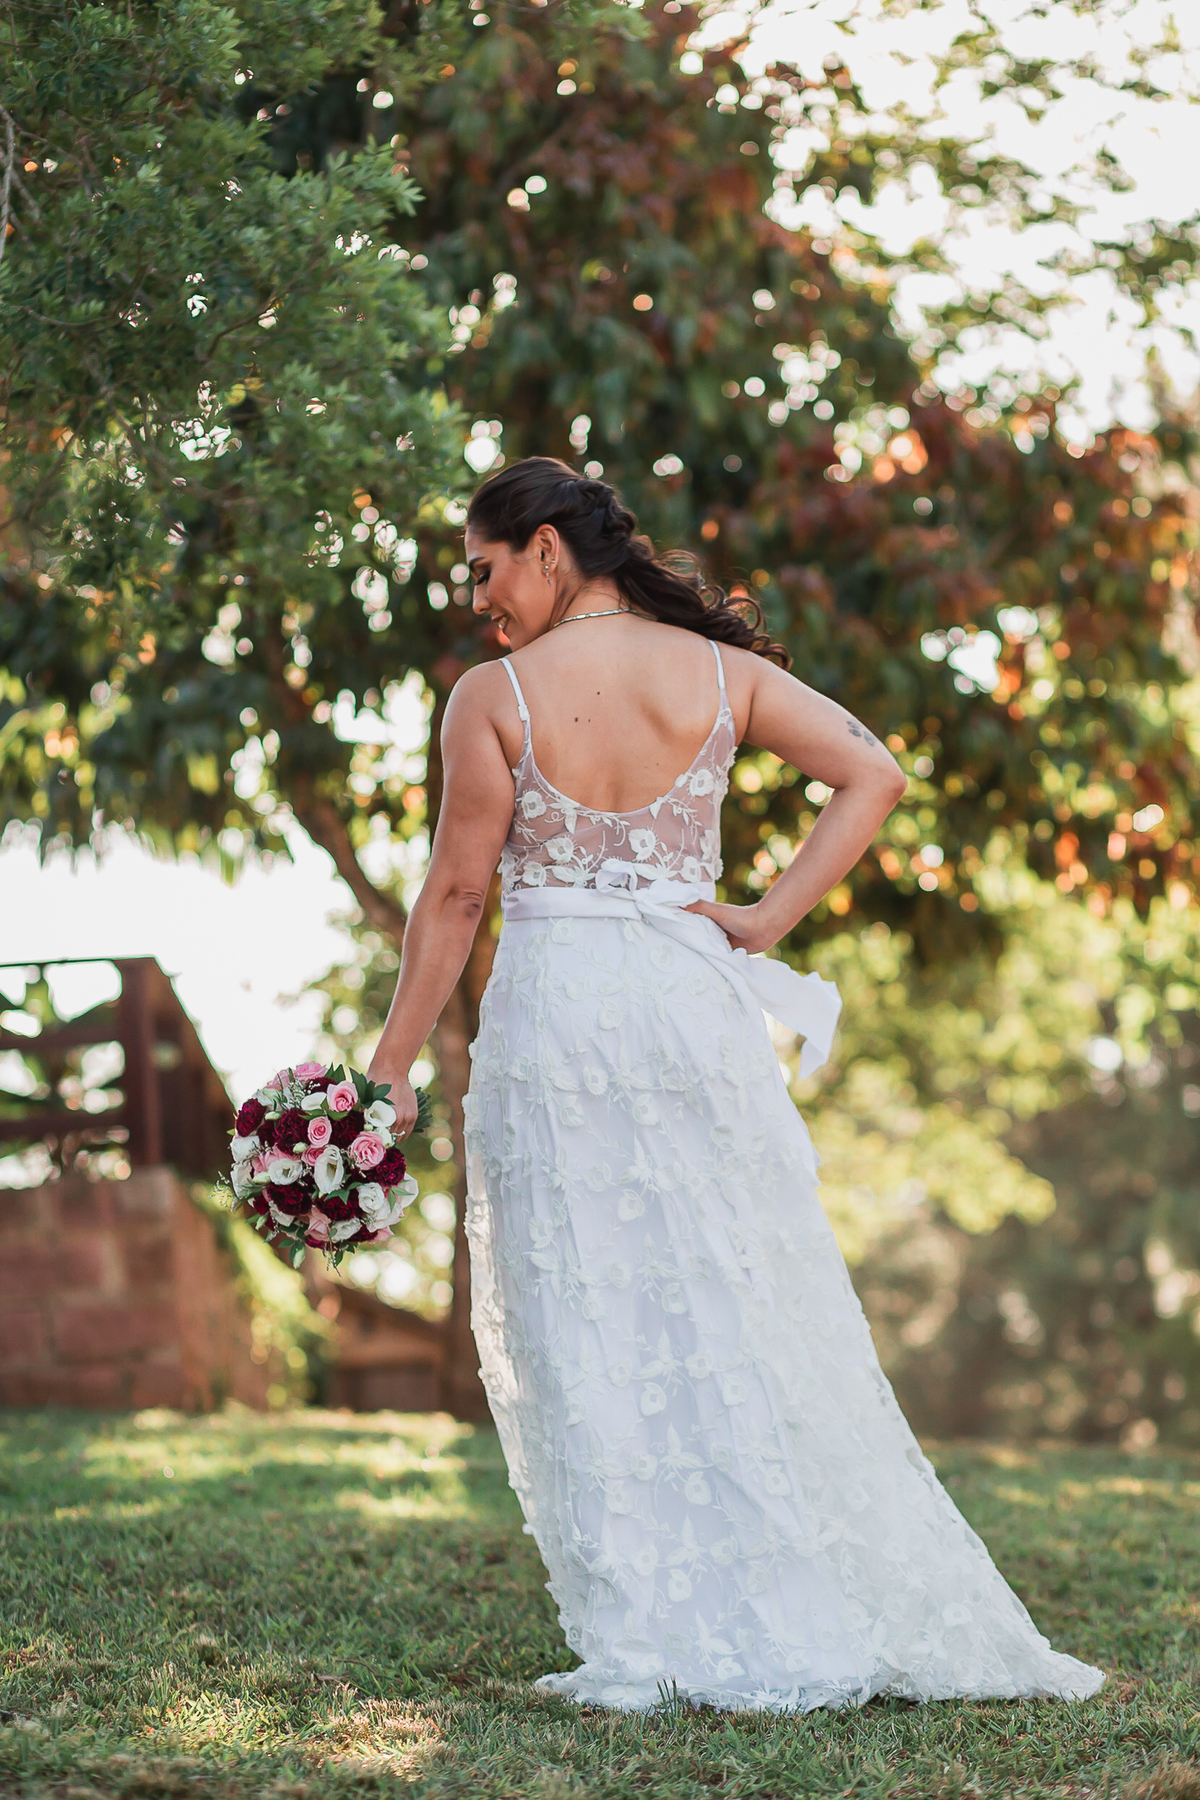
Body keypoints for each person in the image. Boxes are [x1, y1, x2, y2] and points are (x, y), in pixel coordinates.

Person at [368, 456, 1104, 1712]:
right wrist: (766, 917)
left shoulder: (491, 698)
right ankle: (762, 1601)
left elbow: (452, 897)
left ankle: (644, 1643)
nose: (479, 603)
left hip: (558, 1023)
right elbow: (876, 774)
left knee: (586, 1311)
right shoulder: (724, 674)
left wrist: (387, 1075)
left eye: (484, 571)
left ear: (546, 547)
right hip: (690, 1010)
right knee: (734, 1292)